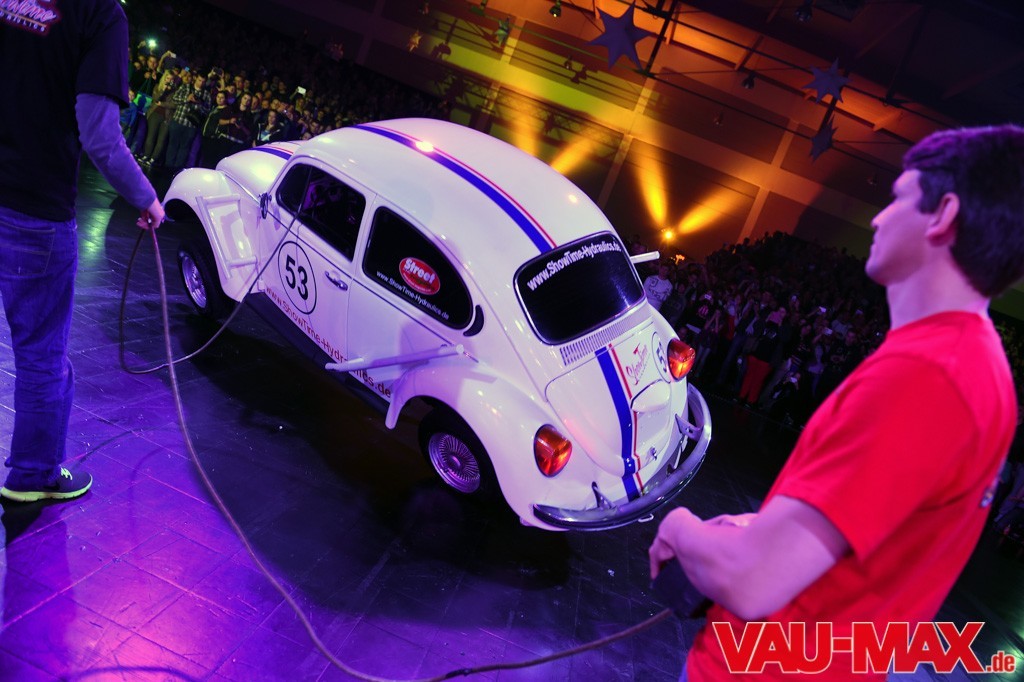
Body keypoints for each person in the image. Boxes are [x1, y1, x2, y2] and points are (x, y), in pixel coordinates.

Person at [649, 125, 1024, 681]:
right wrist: (762, 528)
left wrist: (678, 525)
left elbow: (754, 581)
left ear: (943, 215)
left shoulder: (925, 375)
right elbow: (884, 533)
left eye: (898, 198)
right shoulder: (978, 367)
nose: (878, 219)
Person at [0, 0, 164, 502]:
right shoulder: (100, 14)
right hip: (36, 210)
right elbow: (100, 135)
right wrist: (145, 197)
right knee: (41, 355)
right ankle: (33, 476)